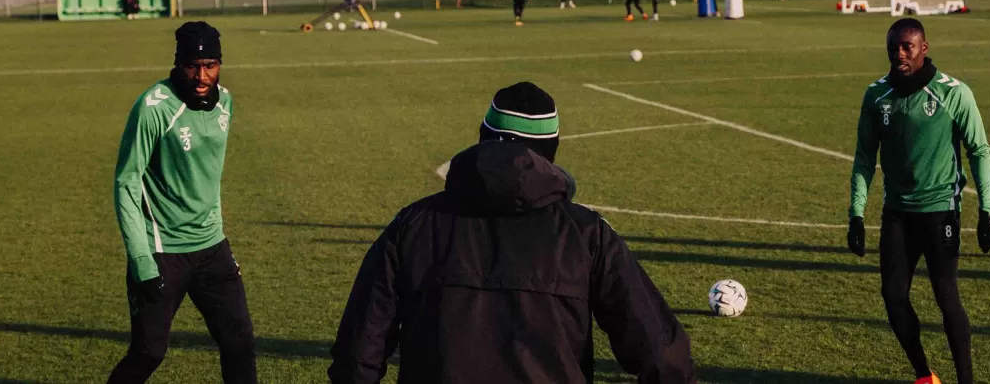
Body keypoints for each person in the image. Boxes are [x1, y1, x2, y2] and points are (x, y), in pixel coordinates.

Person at [329, 82, 693, 384]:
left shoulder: (412, 225)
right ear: (551, 151)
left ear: (483, 139)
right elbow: (660, 354)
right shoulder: (585, 234)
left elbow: (358, 355)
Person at [107, 21, 257, 383]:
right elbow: (127, 181)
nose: (202, 76)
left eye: (211, 65)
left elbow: (208, 176)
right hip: (162, 251)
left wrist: (217, 229)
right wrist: (141, 259)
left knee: (239, 341)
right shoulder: (153, 108)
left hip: (211, 248)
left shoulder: (226, 104)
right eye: (193, 65)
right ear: (178, 64)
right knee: (149, 352)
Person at [850, 18, 990, 384]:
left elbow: (978, 149)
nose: (899, 54)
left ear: (924, 48)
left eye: (907, 47)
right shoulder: (876, 95)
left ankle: (966, 379)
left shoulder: (953, 93)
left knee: (946, 297)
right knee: (892, 296)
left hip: (941, 211)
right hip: (897, 213)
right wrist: (855, 213)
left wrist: (987, 210)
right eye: (893, 47)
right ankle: (924, 375)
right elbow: (864, 158)